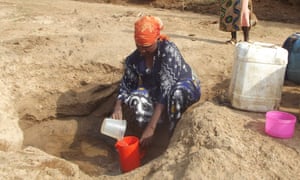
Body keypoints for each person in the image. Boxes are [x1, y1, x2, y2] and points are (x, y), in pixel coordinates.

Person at [111, 15, 201, 147]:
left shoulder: (168, 50)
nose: (142, 50)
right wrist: (117, 107)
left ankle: (171, 136)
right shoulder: (134, 59)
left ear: (157, 39)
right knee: (137, 97)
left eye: (146, 46)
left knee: (175, 95)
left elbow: (167, 90)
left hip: (183, 86)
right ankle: (144, 138)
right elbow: (127, 85)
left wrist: (151, 128)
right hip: (157, 89)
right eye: (139, 45)